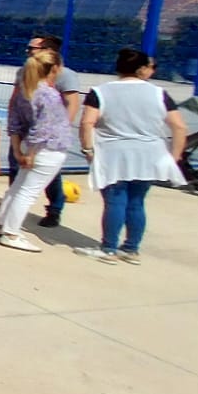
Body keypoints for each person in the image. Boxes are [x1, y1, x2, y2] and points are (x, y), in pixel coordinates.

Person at [75, 48, 186, 265]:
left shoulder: (100, 92)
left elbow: (87, 122)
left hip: (113, 153)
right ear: (142, 69)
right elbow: (179, 127)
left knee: (115, 201)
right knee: (137, 202)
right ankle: (131, 249)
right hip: (149, 154)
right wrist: (174, 157)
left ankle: (108, 248)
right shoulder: (159, 93)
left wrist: (88, 149)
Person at [0, 47, 72, 253]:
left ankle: (2, 225)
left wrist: (18, 149)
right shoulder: (49, 95)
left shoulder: (25, 90)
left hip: (30, 145)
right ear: (54, 68)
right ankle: (11, 233)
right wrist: (31, 154)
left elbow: (14, 121)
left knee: (18, 187)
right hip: (47, 149)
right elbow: (44, 128)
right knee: (27, 192)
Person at [20, 34, 85, 228]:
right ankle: (14, 204)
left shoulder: (65, 75)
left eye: (33, 48)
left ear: (48, 51)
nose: (28, 51)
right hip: (26, 130)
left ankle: (55, 209)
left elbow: (72, 103)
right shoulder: (26, 71)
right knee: (19, 169)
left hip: (49, 136)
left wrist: (61, 129)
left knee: (50, 174)